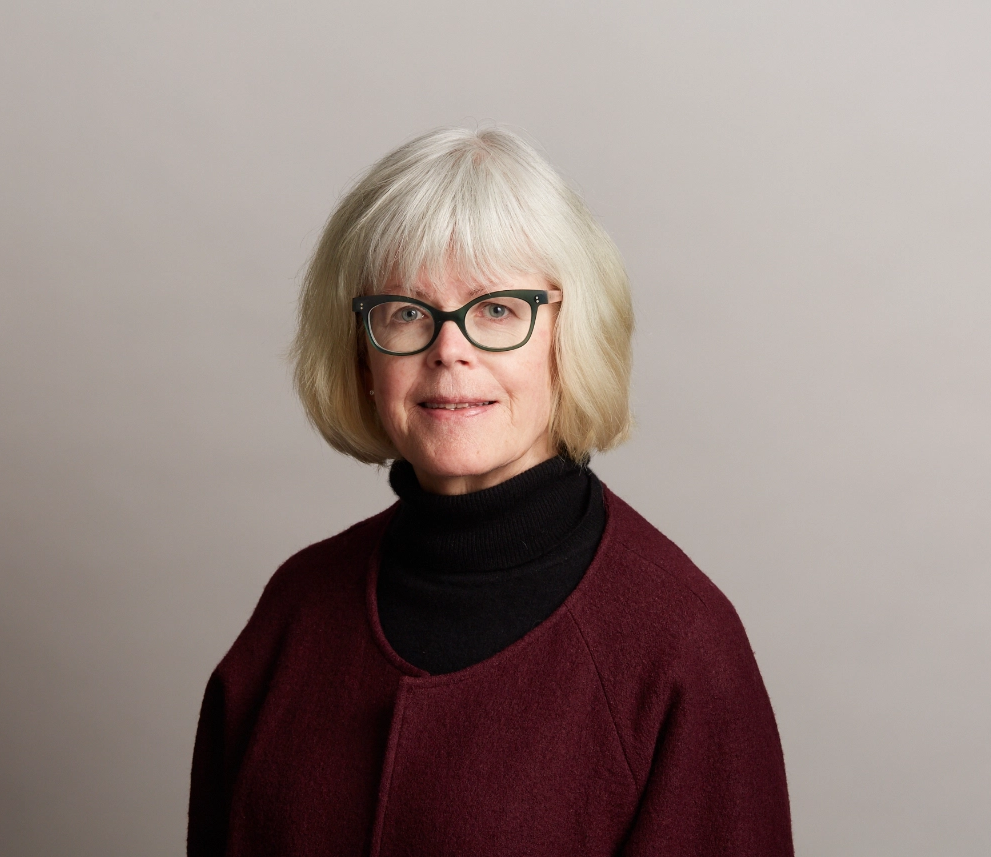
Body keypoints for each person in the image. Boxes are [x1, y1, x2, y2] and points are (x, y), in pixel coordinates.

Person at [188, 126, 794, 856]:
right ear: (361, 353)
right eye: (407, 311)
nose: (450, 349)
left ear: (569, 338)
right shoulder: (292, 614)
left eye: (498, 309)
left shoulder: (678, 647)